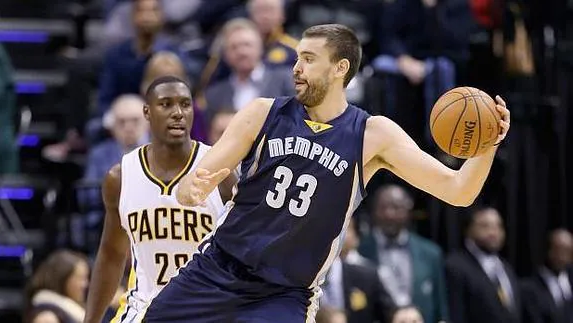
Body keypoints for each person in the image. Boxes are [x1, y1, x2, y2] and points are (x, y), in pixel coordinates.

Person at [143, 23, 511, 322]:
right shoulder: (262, 112)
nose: (296, 68)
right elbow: (193, 183)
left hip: (283, 294)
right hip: (218, 269)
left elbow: (459, 191)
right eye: (296, 58)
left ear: (340, 69)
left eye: (308, 59)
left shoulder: (373, 134)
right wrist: (191, 191)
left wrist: (489, 143)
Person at [83, 76, 236, 323]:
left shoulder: (220, 171)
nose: (178, 113)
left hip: (206, 310)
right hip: (144, 308)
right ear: (147, 112)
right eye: (166, 104)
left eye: (185, 105)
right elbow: (111, 254)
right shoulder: (120, 177)